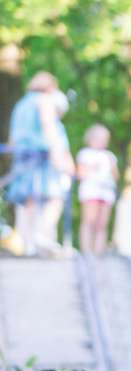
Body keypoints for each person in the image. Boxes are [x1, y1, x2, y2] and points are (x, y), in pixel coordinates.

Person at [6, 73, 74, 256]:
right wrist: (58, 155)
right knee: (53, 197)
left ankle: (27, 243)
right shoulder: (44, 101)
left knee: (27, 199)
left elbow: (13, 137)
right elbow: (48, 126)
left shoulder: (21, 104)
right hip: (41, 156)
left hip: (21, 155)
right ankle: (43, 238)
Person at [76, 124, 118, 254]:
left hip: (106, 191)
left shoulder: (109, 156)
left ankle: (99, 251)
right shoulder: (84, 154)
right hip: (91, 191)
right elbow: (80, 174)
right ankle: (86, 250)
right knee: (89, 221)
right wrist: (93, 168)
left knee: (102, 223)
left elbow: (115, 176)